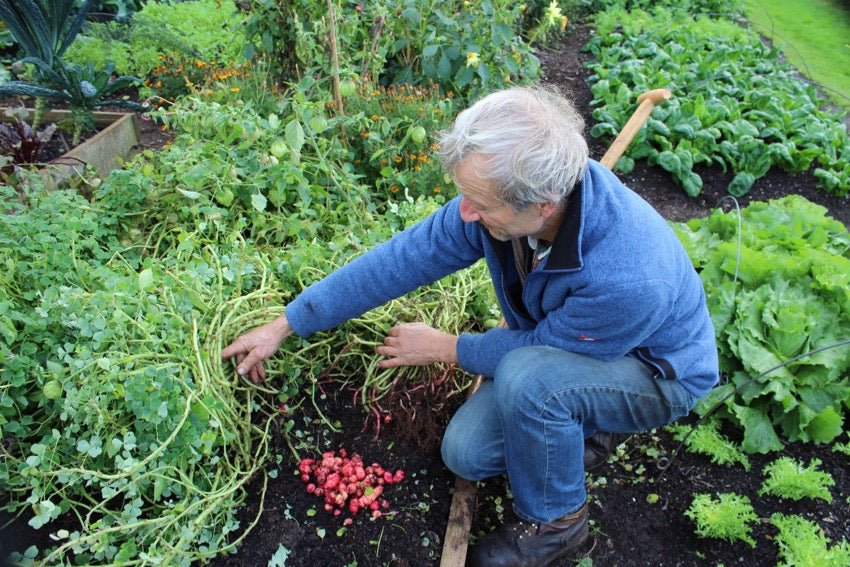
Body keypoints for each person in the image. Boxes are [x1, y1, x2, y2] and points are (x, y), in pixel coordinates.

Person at [221, 85, 719, 566]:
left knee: (531, 381)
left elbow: (541, 349)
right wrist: (289, 322)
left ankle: (558, 522)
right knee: (466, 453)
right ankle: (581, 424)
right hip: (578, 349)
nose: (465, 212)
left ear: (542, 204)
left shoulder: (629, 276)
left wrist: (447, 347)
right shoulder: (505, 199)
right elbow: (402, 259)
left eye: (479, 204)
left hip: (653, 373)